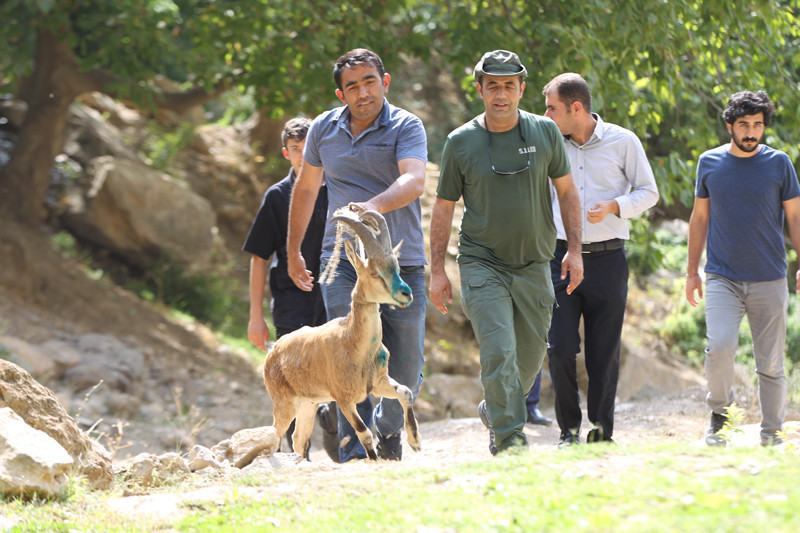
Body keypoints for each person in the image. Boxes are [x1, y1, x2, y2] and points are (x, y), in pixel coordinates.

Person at [429, 50, 584, 455]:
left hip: (535, 262)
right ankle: (511, 439)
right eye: (493, 85)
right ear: (479, 88)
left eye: (509, 86)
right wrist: (437, 270)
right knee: (499, 350)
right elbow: (443, 208)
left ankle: (495, 408)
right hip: (482, 263)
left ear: (522, 89)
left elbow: (568, 192)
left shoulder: (545, 133)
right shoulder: (460, 142)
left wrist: (576, 251)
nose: (501, 94)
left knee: (530, 359)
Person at [287, 48, 428, 462]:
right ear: (340, 93)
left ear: (385, 82)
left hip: (400, 262)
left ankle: (386, 428)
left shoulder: (406, 125)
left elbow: (414, 179)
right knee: (347, 355)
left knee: (406, 361)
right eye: (353, 86)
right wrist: (295, 250)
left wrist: (373, 206)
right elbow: (308, 189)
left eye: (370, 82)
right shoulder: (322, 130)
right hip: (341, 259)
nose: (363, 92)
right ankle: (353, 449)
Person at [542, 73, 659, 447]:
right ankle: (568, 430)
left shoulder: (623, 142)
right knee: (559, 347)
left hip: (608, 260)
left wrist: (615, 206)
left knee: (603, 353)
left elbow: (649, 192)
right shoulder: (547, 141)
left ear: (576, 108)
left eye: (552, 108)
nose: (546, 115)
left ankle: (601, 430)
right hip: (559, 257)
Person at [685, 90, 800, 447]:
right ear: (729, 126)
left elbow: (795, 216)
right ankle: (720, 420)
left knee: (770, 363)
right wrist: (692, 272)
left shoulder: (779, 163)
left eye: (757, 125)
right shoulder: (709, 162)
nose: (751, 132)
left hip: (770, 276)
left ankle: (772, 433)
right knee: (719, 347)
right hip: (722, 276)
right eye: (744, 125)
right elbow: (699, 217)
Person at [241, 117, 339, 461]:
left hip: (332, 299)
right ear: (286, 152)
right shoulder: (278, 196)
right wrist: (255, 316)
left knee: (337, 371)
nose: (302, 156)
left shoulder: (338, 189)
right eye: (295, 150)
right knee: (294, 380)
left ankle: (333, 424)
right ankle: (298, 455)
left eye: (307, 148)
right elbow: (258, 257)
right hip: (291, 302)